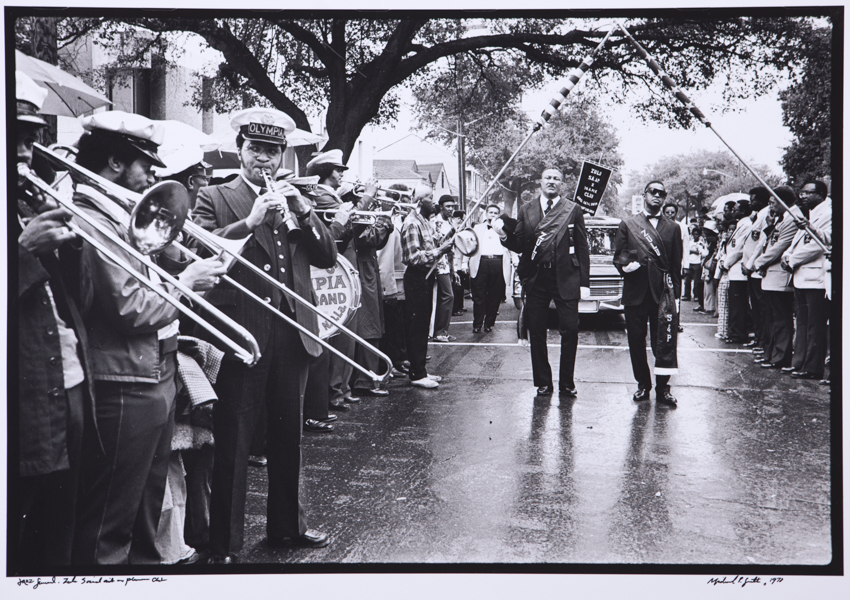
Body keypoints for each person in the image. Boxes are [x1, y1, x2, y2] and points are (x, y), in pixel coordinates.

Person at [68, 112, 226, 565]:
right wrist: (185, 283)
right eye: (144, 164)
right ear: (115, 163)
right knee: (109, 526)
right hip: (124, 382)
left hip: (153, 373)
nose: (153, 174)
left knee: (144, 518)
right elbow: (129, 308)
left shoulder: (124, 216)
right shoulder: (92, 217)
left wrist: (174, 262)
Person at [192, 107, 338, 563]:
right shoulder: (216, 196)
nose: (264, 160)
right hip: (243, 335)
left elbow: (327, 257)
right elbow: (198, 249)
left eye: (273, 152)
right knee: (235, 439)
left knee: (287, 437)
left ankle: (287, 528)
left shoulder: (294, 197)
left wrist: (303, 210)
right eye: (256, 149)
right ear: (240, 150)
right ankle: (225, 543)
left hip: (292, 333)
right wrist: (250, 221)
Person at [11, 71, 94, 573]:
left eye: (30, 140)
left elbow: (76, 301)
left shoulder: (24, 205)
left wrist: (71, 243)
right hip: (17, 407)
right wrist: (22, 252)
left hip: (65, 388)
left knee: (56, 537)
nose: (24, 153)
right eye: (12, 139)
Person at [495, 168, 590, 397]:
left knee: (570, 330)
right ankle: (543, 383)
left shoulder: (572, 209)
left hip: (566, 277)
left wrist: (584, 283)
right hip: (537, 278)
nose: (551, 182)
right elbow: (520, 245)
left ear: (562, 184)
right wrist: (503, 236)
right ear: (540, 182)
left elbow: (582, 246)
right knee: (536, 331)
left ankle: (567, 383)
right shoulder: (526, 208)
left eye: (556, 179)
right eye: (548, 178)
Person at [613, 180, 683, 407]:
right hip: (635, 292)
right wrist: (625, 266)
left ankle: (663, 388)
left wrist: (677, 297)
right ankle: (643, 385)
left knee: (664, 342)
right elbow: (620, 255)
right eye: (653, 192)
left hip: (662, 294)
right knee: (636, 341)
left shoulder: (673, 227)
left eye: (661, 194)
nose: (657, 196)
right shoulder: (629, 224)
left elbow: (675, 265)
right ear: (644, 195)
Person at [306, 149, 360, 414]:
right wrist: (367, 199)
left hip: (338, 266)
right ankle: (334, 392)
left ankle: (340, 390)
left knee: (342, 336)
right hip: (328, 268)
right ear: (326, 172)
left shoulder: (332, 196)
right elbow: (340, 229)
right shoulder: (322, 195)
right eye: (338, 170)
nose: (341, 174)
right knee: (334, 335)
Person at [401, 185, 453, 388]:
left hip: (427, 276)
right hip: (417, 277)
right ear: (421, 201)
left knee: (423, 325)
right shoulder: (412, 223)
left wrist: (444, 242)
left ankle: (421, 370)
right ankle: (416, 374)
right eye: (430, 198)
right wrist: (440, 250)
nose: (434, 201)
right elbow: (412, 257)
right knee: (417, 326)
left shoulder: (425, 222)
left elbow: (431, 245)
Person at [782, 181, 831, 379]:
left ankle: (812, 368)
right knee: (801, 323)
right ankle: (799, 362)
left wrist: (793, 259)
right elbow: (799, 241)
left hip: (816, 278)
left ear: (820, 194)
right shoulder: (808, 214)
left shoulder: (829, 213)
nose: (802, 196)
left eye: (807, 193)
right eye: (801, 192)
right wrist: (787, 255)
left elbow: (821, 244)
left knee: (814, 325)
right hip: (801, 276)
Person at [751, 186, 799, 370]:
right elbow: (769, 242)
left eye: (773, 203)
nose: (770, 207)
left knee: (781, 318)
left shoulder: (792, 218)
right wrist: (770, 225)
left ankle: (780, 356)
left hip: (779, 276)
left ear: (783, 202)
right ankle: (771, 353)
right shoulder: (780, 219)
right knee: (772, 318)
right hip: (770, 276)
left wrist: (757, 263)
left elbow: (779, 247)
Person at [469, 204, 511, 333]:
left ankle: (489, 323)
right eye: (490, 212)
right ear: (486, 214)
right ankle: (477, 324)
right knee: (479, 296)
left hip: (498, 263)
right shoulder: (477, 228)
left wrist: (515, 262)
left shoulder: (504, 229)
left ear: (498, 215)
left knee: (495, 295)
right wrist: (464, 263)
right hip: (481, 262)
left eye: (495, 213)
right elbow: (470, 245)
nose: (492, 215)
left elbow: (511, 246)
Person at [740, 187, 771, 351]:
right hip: (751, 269)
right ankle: (759, 338)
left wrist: (750, 264)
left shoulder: (766, 214)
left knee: (760, 308)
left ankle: (763, 341)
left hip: (757, 269)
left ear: (762, 200)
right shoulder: (757, 216)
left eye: (754, 200)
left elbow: (760, 243)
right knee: (755, 307)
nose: (751, 202)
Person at [721, 200, 753, 344]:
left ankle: (737, 334)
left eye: (736, 209)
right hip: (734, 270)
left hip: (738, 269)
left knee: (738, 306)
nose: (733, 212)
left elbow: (739, 249)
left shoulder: (746, 225)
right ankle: (734, 332)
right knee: (735, 305)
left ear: (744, 211)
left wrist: (726, 264)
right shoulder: (741, 224)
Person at [430, 194, 458, 342]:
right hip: (437, 264)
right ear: (441, 207)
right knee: (448, 296)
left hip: (448, 263)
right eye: (448, 206)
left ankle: (443, 331)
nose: (451, 209)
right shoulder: (434, 222)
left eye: (453, 207)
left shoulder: (451, 222)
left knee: (444, 297)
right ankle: (439, 332)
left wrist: (454, 268)